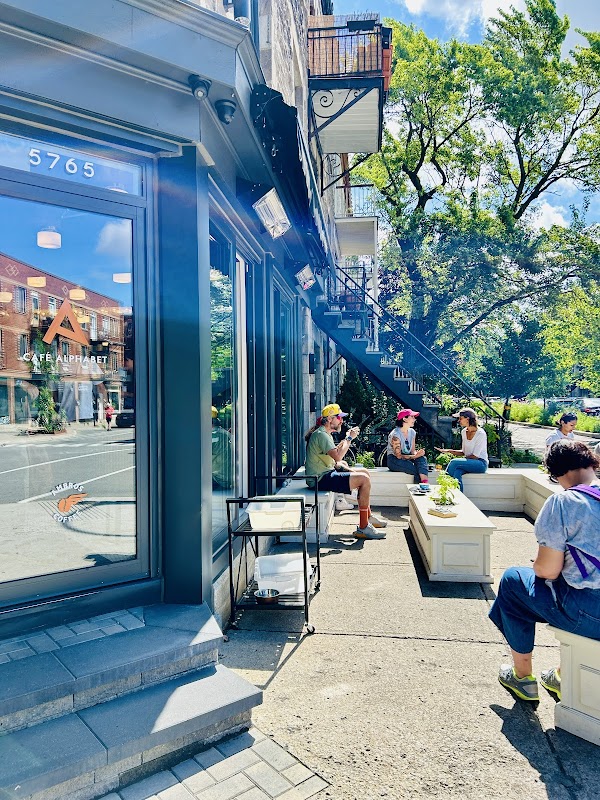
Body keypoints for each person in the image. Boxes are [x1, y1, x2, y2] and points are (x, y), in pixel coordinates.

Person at [488, 440, 600, 702]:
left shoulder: (564, 501)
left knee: (513, 581)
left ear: (558, 473)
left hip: (588, 611)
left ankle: (522, 677)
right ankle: (561, 676)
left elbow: (547, 571)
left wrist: (539, 564)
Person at [305, 403, 387, 539]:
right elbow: (338, 457)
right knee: (364, 479)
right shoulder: (321, 435)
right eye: (339, 417)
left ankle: (368, 518)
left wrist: (345, 439)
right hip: (319, 479)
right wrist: (349, 439)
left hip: (325, 474)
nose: (342, 421)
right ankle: (363, 528)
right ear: (330, 419)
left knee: (365, 472)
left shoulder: (324, 433)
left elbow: (334, 453)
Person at [435, 407, 488, 490]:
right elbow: (464, 452)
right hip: (469, 462)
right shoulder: (464, 432)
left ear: (467, 419)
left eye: (460, 418)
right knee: (456, 473)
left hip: (480, 464)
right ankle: (458, 495)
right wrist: (448, 451)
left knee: (454, 462)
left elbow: (475, 456)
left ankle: (443, 488)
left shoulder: (480, 434)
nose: (459, 420)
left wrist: (460, 460)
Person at [386, 409, 429, 484]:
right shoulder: (395, 435)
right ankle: (420, 487)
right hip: (394, 460)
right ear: (404, 419)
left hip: (407, 457)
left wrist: (418, 453)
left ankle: (425, 483)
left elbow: (412, 451)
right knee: (414, 469)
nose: (414, 419)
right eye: (412, 417)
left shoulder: (412, 432)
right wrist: (415, 456)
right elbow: (399, 456)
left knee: (422, 458)